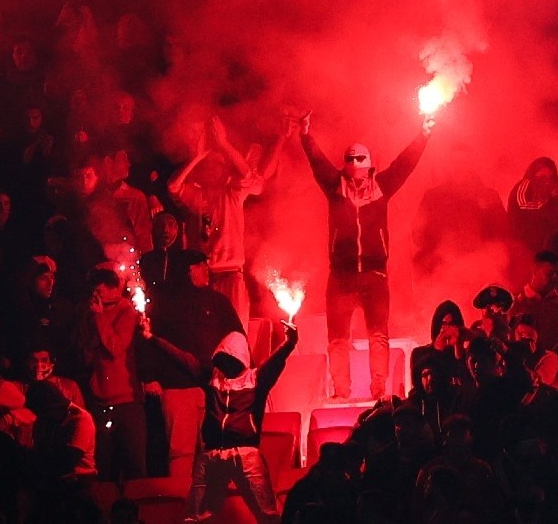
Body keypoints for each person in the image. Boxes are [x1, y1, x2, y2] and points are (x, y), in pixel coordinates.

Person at [299, 113, 431, 400]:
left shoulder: (382, 186)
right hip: (341, 276)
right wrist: (306, 134)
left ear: (370, 163)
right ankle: (341, 391)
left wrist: (423, 134)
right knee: (337, 339)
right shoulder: (335, 187)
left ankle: (379, 390)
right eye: (351, 158)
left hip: (375, 276)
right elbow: (317, 162)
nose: (356, 163)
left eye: (361, 158)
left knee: (378, 335)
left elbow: (405, 164)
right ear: (345, 163)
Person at [142, 319, 298, 523]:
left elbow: (276, 361)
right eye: (224, 360)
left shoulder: (256, 380)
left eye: (231, 360)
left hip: (246, 453)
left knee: (268, 514)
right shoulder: (212, 379)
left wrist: (289, 343)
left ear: (241, 357)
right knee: (195, 517)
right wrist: (151, 338)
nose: (228, 365)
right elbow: (180, 358)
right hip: (213, 455)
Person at [170, 116, 286, 325]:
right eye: (208, 165)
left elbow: (247, 175)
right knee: (207, 335)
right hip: (205, 277)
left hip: (231, 275)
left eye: (218, 165)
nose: (213, 169)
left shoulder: (232, 193)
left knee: (236, 331)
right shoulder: (197, 195)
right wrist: (196, 157)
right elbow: (173, 187)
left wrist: (224, 144)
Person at [138, 250, 245, 477]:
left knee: (213, 450)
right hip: (178, 388)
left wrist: (239, 372)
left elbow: (236, 336)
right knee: (181, 451)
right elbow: (147, 340)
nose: (207, 270)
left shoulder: (217, 301)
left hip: (213, 388)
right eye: (201, 265)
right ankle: (180, 502)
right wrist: (149, 377)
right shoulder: (164, 303)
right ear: (188, 270)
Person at [78, 267, 147, 481]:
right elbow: (86, 352)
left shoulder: (127, 312)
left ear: (113, 289)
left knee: (134, 463)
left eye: (99, 290)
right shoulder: (91, 314)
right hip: (100, 400)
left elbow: (116, 347)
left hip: (126, 399)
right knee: (103, 465)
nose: (95, 296)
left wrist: (99, 318)